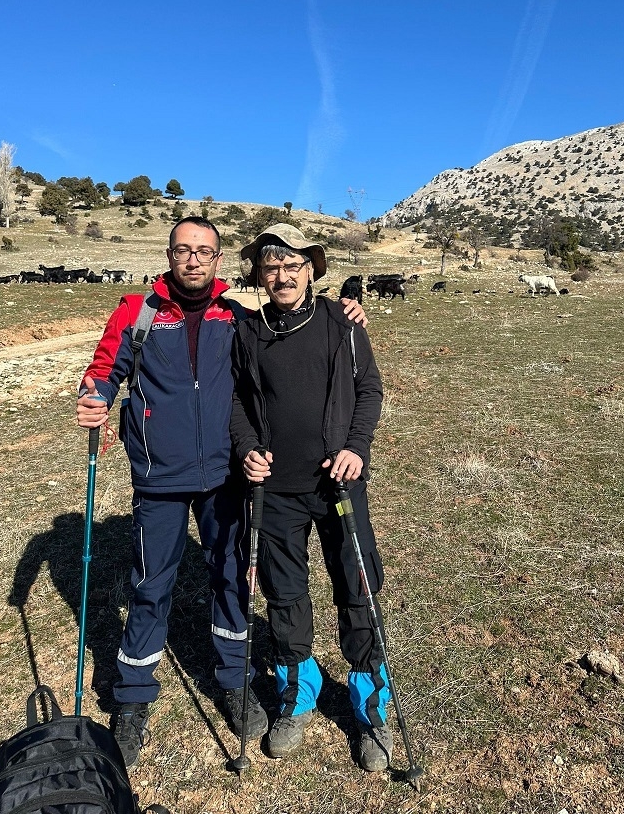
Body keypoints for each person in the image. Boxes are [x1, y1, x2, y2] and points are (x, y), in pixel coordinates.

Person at [76, 216, 366, 767]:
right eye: (184, 250)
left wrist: (346, 310)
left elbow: (279, 344)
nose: (194, 259)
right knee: (150, 584)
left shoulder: (234, 315)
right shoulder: (136, 313)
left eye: (204, 251)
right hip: (159, 475)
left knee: (231, 576)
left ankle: (235, 682)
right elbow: (105, 371)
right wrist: (95, 398)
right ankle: (133, 697)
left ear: (217, 260)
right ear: (169, 255)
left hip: (224, 475)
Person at [230, 223, 392, 772]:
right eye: (270, 267)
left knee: (357, 586)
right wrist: (247, 448)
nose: (282, 276)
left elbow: (369, 389)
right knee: (284, 594)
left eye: (292, 265)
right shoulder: (247, 333)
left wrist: (356, 447)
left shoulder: (341, 323)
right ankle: (297, 697)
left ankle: (370, 709)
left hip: (338, 483)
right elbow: (235, 403)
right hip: (274, 491)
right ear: (259, 275)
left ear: (311, 270)